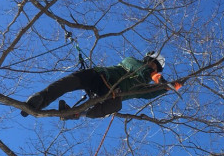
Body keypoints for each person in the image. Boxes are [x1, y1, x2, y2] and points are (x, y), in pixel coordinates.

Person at [20, 51, 181, 119]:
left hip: (109, 94)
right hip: (101, 76)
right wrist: (154, 76)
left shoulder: (141, 88)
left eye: (154, 68)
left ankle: (75, 113)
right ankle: (40, 98)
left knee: (115, 105)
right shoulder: (132, 61)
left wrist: (168, 87)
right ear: (148, 60)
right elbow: (138, 69)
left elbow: (151, 92)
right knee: (70, 82)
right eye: (151, 64)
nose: (151, 68)